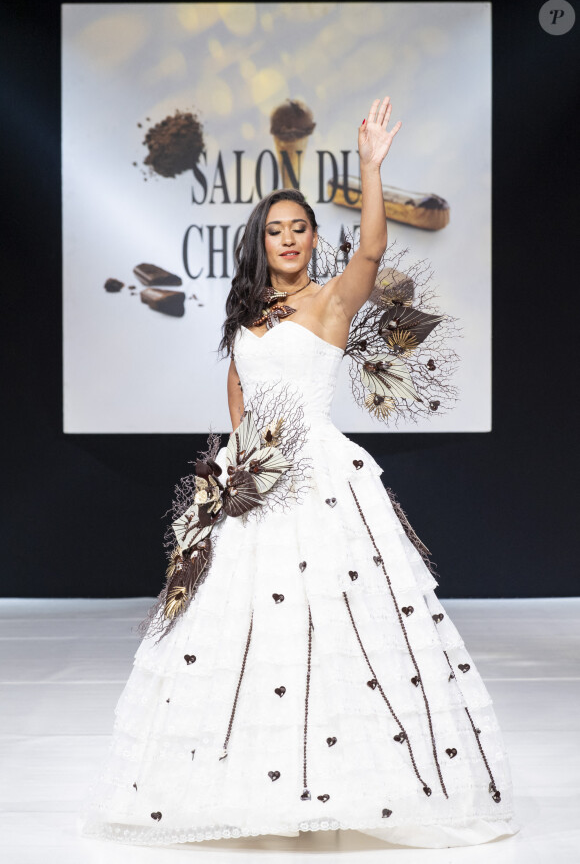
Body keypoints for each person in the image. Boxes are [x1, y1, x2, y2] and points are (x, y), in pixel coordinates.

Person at [78, 97, 520, 848]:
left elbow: (374, 252)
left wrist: (372, 169)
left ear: (315, 238)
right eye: (274, 230)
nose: (287, 239)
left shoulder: (330, 305)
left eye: (298, 228)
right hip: (252, 483)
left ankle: (348, 781)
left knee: (335, 628)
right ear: (261, 243)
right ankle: (250, 782)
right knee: (243, 634)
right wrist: (225, 486)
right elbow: (239, 405)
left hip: (322, 480)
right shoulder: (245, 315)